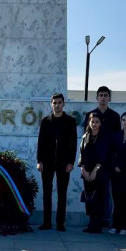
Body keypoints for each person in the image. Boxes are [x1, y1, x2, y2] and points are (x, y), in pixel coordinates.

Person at [36, 93, 77, 232]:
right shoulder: (46, 121)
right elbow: (40, 142)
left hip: (63, 163)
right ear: (51, 104)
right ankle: (46, 222)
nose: (57, 105)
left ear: (63, 104)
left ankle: (60, 223)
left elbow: (73, 143)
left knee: (62, 193)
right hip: (47, 162)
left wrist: (71, 162)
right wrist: (39, 161)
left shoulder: (70, 121)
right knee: (47, 193)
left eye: (60, 102)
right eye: (55, 102)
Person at [84, 86, 119, 225]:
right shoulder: (90, 115)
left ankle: (102, 220)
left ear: (109, 98)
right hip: (90, 161)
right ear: (97, 97)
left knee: (103, 192)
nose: (103, 97)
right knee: (89, 192)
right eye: (101, 95)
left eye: (106, 95)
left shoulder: (115, 116)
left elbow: (116, 139)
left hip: (106, 161)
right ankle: (91, 221)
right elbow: (85, 139)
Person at [78, 115, 108, 233]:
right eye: (92, 121)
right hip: (86, 172)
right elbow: (81, 154)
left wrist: (95, 170)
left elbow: (103, 156)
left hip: (99, 172)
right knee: (88, 199)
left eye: (97, 122)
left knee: (98, 199)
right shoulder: (85, 136)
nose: (94, 124)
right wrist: (83, 169)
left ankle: (97, 225)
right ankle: (90, 224)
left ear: (100, 124)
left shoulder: (103, 138)